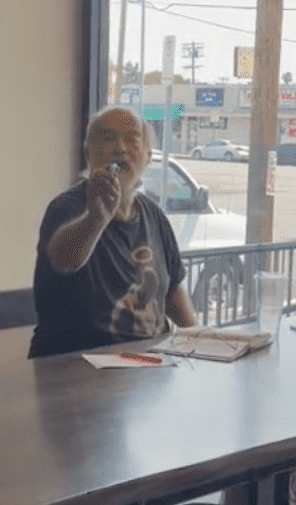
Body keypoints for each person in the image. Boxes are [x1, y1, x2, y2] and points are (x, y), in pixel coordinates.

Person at [29, 105, 196, 358]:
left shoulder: (154, 215)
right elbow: (63, 260)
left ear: (148, 157)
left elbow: (173, 293)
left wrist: (203, 341)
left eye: (132, 139)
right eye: (108, 138)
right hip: (77, 372)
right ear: (88, 153)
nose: (120, 148)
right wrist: (96, 218)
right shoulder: (67, 207)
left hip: (147, 370)